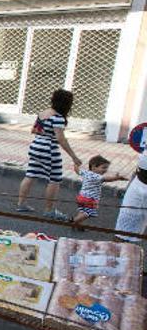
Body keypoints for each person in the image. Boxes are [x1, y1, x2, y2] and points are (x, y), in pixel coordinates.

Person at [16, 89, 82, 220]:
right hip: (49, 149)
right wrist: (74, 157)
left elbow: (33, 130)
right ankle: (49, 210)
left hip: (35, 146)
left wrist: (44, 133)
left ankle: (21, 204)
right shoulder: (58, 118)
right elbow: (61, 139)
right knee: (55, 179)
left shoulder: (43, 113)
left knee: (30, 174)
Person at [70, 155, 127, 231]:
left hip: (81, 197)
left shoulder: (85, 173)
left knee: (83, 211)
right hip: (90, 199)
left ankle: (78, 225)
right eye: (103, 167)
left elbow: (77, 170)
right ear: (93, 167)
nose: (105, 170)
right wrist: (117, 178)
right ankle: (74, 220)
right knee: (88, 213)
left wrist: (76, 164)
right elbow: (107, 179)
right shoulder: (97, 177)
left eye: (106, 168)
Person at [115, 154, 147, 244]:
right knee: (122, 232)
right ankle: (118, 254)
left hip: (139, 186)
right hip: (138, 188)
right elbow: (136, 172)